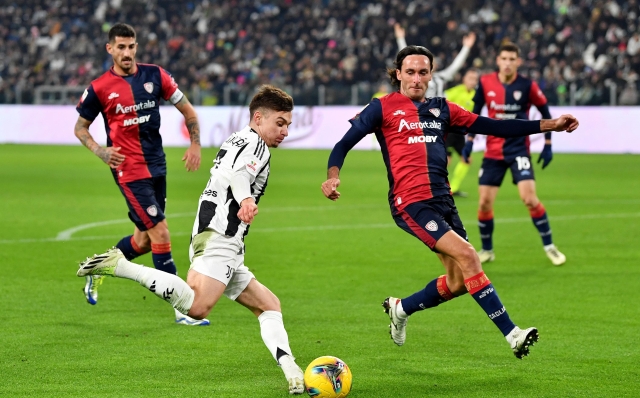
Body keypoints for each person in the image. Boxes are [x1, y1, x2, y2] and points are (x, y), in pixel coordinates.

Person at [321, 45, 578, 358]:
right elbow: (342, 144)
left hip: (443, 201)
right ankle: (513, 334)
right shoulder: (381, 107)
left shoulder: (443, 109)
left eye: (423, 72)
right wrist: (333, 176)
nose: (416, 78)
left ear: (431, 75)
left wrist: (548, 124)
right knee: (470, 256)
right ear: (398, 74)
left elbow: (494, 126)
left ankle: (401, 309)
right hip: (411, 203)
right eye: (410, 72)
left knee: (457, 282)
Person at [77, 84, 305, 394]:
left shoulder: (239, 138)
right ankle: (120, 265)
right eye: (280, 123)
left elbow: (228, 173)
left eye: (288, 125)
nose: (285, 131)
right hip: (222, 233)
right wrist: (247, 200)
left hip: (216, 233)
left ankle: (292, 370)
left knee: (268, 305)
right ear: (259, 117)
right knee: (198, 307)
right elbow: (238, 175)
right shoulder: (256, 145)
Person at [74, 23, 208, 325]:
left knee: (144, 242)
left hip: (157, 166)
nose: (127, 52)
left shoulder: (155, 76)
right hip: (128, 170)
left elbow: (189, 112)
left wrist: (195, 144)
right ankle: (182, 307)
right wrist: (100, 151)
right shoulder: (99, 88)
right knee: (161, 231)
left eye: (131, 46)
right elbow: (80, 128)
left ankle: (99, 267)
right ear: (110, 49)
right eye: (120, 47)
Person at [461, 42, 566, 266]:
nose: (508, 63)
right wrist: (469, 142)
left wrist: (548, 143)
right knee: (484, 204)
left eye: (512, 59)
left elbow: (546, 111)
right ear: (497, 60)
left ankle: (550, 247)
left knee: (529, 199)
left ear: (518, 62)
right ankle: (487, 250)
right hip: (493, 151)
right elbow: (475, 113)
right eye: (504, 59)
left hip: (519, 150)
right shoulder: (485, 82)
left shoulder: (528, 85)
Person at [395, 23, 476, 197]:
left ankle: (442, 188)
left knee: (447, 158)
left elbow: (456, 66)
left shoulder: (440, 78)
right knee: (428, 156)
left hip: (440, 122)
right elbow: (407, 58)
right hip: (421, 121)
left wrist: (466, 48)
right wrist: (400, 38)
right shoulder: (417, 78)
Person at [444, 68, 480, 197]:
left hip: (460, 133)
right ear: (464, 79)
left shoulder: (476, 95)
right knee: (445, 161)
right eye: (470, 78)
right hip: (448, 131)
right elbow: (441, 100)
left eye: (475, 79)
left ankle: (453, 188)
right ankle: (436, 188)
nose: (472, 82)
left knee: (467, 159)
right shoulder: (455, 91)